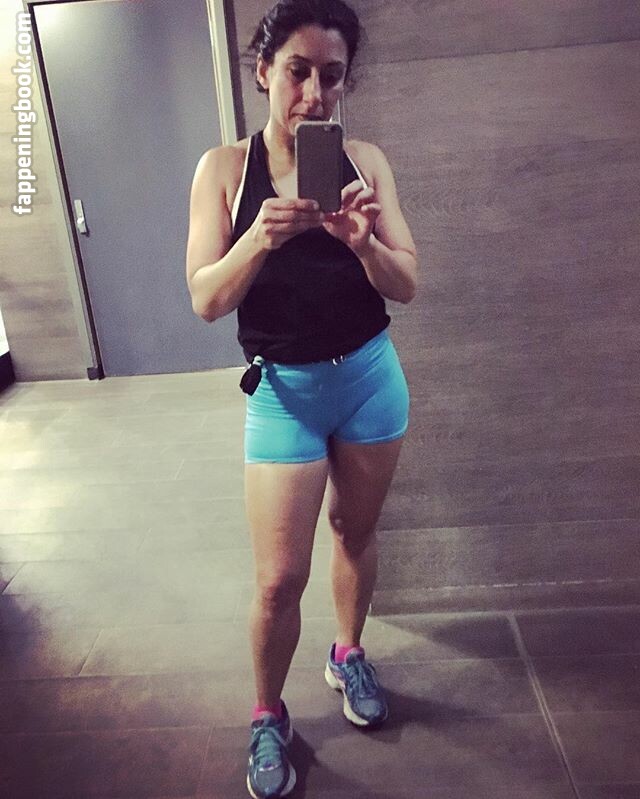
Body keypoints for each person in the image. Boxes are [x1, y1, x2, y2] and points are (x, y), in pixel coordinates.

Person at [186, 1, 417, 796]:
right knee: (279, 579)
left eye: (331, 75)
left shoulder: (365, 162)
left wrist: (365, 243)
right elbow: (206, 299)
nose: (315, 94)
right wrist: (259, 235)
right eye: (297, 71)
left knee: (356, 529)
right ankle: (267, 714)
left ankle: (348, 653)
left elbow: (408, 282)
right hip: (283, 393)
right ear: (263, 72)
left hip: (370, 379)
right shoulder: (223, 170)